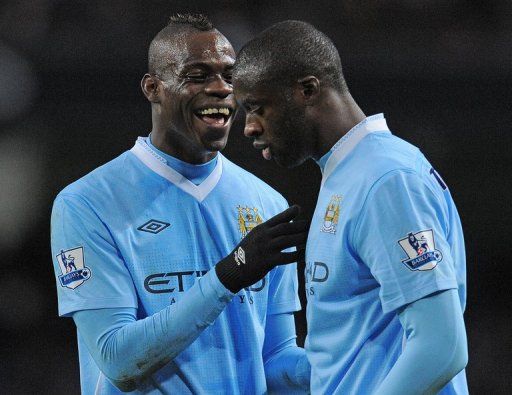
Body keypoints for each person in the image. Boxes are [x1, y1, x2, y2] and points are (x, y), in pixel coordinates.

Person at [50, 14, 310, 394]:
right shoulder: (87, 204)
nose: (222, 88)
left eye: (230, 76)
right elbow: (118, 360)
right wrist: (228, 275)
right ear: (153, 88)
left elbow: (273, 362)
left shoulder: (266, 203)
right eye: (199, 75)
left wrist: (353, 357)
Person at [233, 20, 468, 394]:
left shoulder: (384, 179)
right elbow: (344, 356)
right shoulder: (348, 174)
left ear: (307, 90)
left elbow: (442, 347)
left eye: (257, 107)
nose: (248, 127)